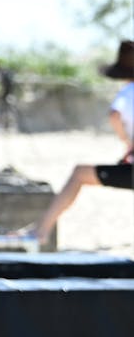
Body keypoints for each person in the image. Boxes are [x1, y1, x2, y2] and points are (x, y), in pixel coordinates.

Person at [23, 39, 134, 246]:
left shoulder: (128, 92)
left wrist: (127, 140)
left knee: (80, 174)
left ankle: (41, 231)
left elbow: (115, 115)